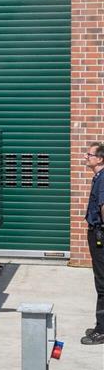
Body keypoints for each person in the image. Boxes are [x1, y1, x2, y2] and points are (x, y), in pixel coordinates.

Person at [81, 142, 104, 345]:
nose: (86, 157)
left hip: (100, 235)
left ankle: (102, 331)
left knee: (102, 284)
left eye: (89, 154)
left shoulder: (102, 179)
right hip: (97, 233)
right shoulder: (98, 177)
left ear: (100, 159)